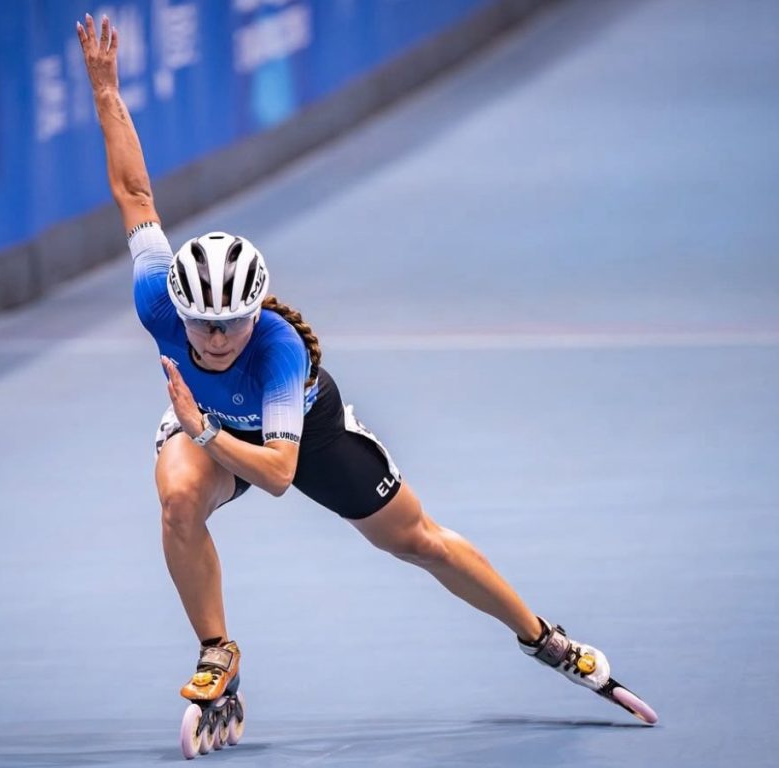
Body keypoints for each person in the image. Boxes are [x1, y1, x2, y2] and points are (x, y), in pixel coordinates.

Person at [75, 13, 656, 754]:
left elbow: (281, 476)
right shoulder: (157, 292)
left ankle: (543, 637)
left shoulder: (279, 354)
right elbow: (133, 192)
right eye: (203, 325)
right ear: (179, 309)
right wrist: (105, 93)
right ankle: (217, 652)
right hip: (206, 426)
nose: (217, 338)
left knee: (418, 542)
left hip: (295, 438)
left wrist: (203, 428)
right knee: (179, 499)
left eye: (233, 323)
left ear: (257, 311)